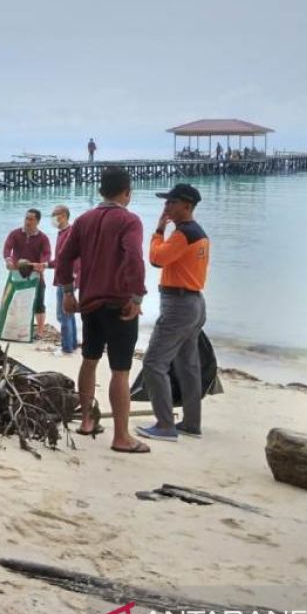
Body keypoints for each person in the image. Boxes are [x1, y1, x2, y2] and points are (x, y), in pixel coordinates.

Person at [55, 167, 148, 453]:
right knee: (120, 371)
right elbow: (134, 257)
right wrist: (137, 296)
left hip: (90, 302)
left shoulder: (84, 220)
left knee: (89, 359)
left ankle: (86, 421)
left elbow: (65, 257)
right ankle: (121, 437)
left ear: (100, 191)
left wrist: (68, 291)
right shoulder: (129, 220)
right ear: (127, 193)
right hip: (118, 303)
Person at [136, 184, 211, 442]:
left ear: (187, 206)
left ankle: (166, 425)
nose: (166, 207)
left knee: (154, 364)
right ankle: (191, 422)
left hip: (179, 304)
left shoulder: (183, 234)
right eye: (166, 202)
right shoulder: (198, 233)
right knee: (187, 366)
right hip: (194, 303)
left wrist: (158, 231)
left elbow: (157, 259)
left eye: (171, 203)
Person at [3, 209, 52, 336]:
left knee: (39, 303)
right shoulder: (15, 234)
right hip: (17, 272)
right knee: (15, 301)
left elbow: (47, 253)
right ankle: (15, 328)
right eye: (26, 218)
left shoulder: (43, 238)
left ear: (37, 221)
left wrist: (43, 264)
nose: (27, 222)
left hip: (35, 273)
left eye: (31, 219)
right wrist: (8, 260)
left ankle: (40, 331)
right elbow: (7, 247)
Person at [50, 204, 78, 355]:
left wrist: (73, 276)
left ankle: (66, 347)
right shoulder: (62, 233)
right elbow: (59, 259)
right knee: (69, 314)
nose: (53, 218)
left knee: (63, 314)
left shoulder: (69, 232)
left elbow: (73, 257)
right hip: (64, 276)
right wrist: (46, 264)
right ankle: (72, 344)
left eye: (55, 214)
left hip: (67, 278)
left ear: (63, 215)